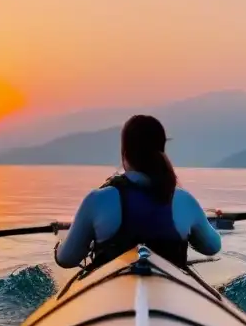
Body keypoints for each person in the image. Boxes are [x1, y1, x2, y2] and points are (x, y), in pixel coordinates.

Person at [54, 114, 222, 269]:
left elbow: (67, 259)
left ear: (125, 154)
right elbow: (212, 247)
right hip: (166, 297)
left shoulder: (97, 200)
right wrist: (200, 224)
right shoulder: (184, 200)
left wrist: (61, 241)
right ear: (162, 152)